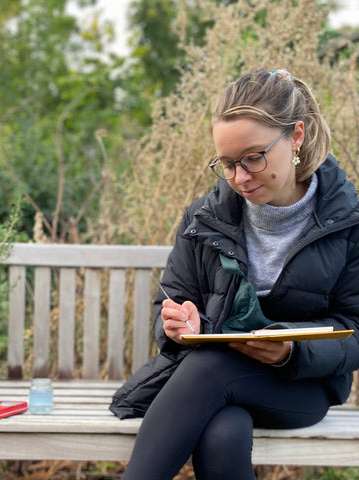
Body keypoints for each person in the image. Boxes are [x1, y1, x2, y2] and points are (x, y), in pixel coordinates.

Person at [114, 67, 359, 480]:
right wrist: (178, 323)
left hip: (301, 386)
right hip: (211, 382)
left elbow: (355, 329)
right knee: (223, 432)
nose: (239, 178)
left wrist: (291, 351)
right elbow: (169, 305)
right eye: (226, 164)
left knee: (210, 368)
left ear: (295, 136)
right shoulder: (204, 216)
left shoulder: (347, 222)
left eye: (253, 158)